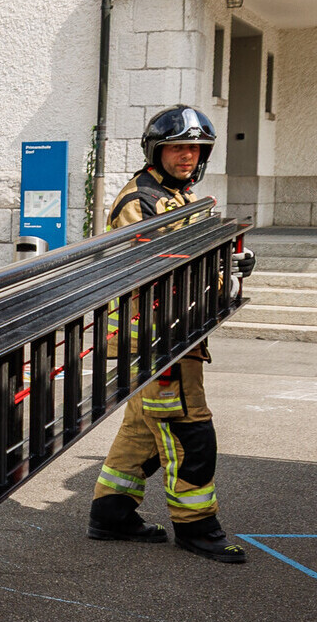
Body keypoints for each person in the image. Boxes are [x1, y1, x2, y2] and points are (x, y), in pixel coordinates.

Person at [87, 104, 247, 564]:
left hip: (178, 334)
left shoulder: (176, 196)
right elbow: (153, 272)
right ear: (156, 151)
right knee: (188, 431)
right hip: (162, 340)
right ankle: (197, 527)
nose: (188, 157)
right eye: (178, 147)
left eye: (196, 149)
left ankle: (111, 513)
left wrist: (232, 263)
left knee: (141, 431)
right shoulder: (140, 201)